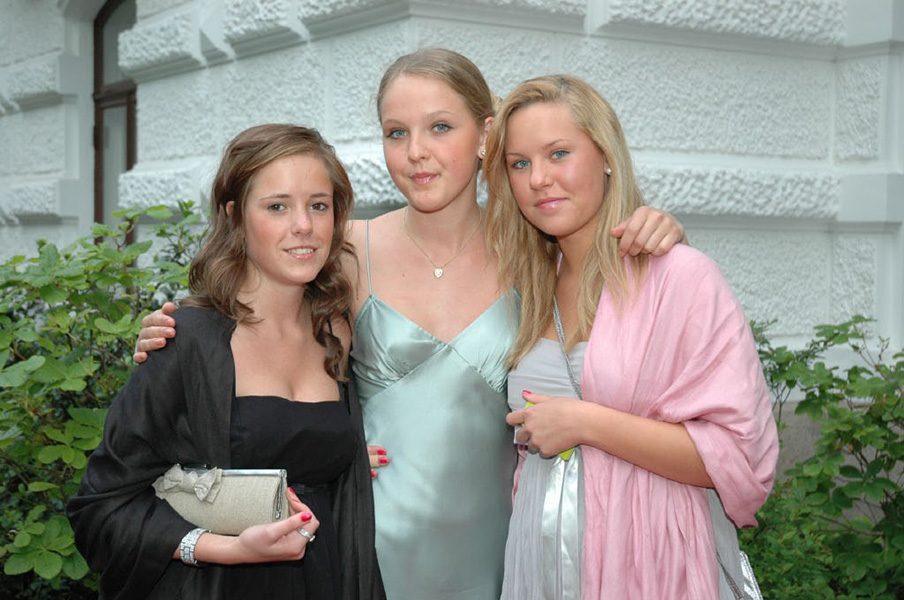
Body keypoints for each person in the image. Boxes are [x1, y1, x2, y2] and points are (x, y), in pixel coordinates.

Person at [133, 49, 687, 599]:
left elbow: (620, 307)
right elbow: (256, 324)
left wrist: (657, 227)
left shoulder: (537, 255)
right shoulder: (345, 252)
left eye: (439, 127)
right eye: (396, 132)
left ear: (485, 135)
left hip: (503, 547)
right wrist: (176, 331)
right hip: (367, 546)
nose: (416, 152)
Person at [483, 74, 779, 599]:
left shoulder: (680, 277)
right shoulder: (526, 283)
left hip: (649, 561)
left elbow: (740, 458)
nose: (539, 179)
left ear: (606, 156)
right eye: (519, 163)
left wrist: (585, 423)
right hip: (540, 558)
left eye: (558, 153)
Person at [68, 124, 384, 600]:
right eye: (277, 206)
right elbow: (100, 506)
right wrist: (227, 548)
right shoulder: (187, 339)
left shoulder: (336, 330)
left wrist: (352, 455)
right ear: (235, 215)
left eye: (319, 205)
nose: (304, 225)